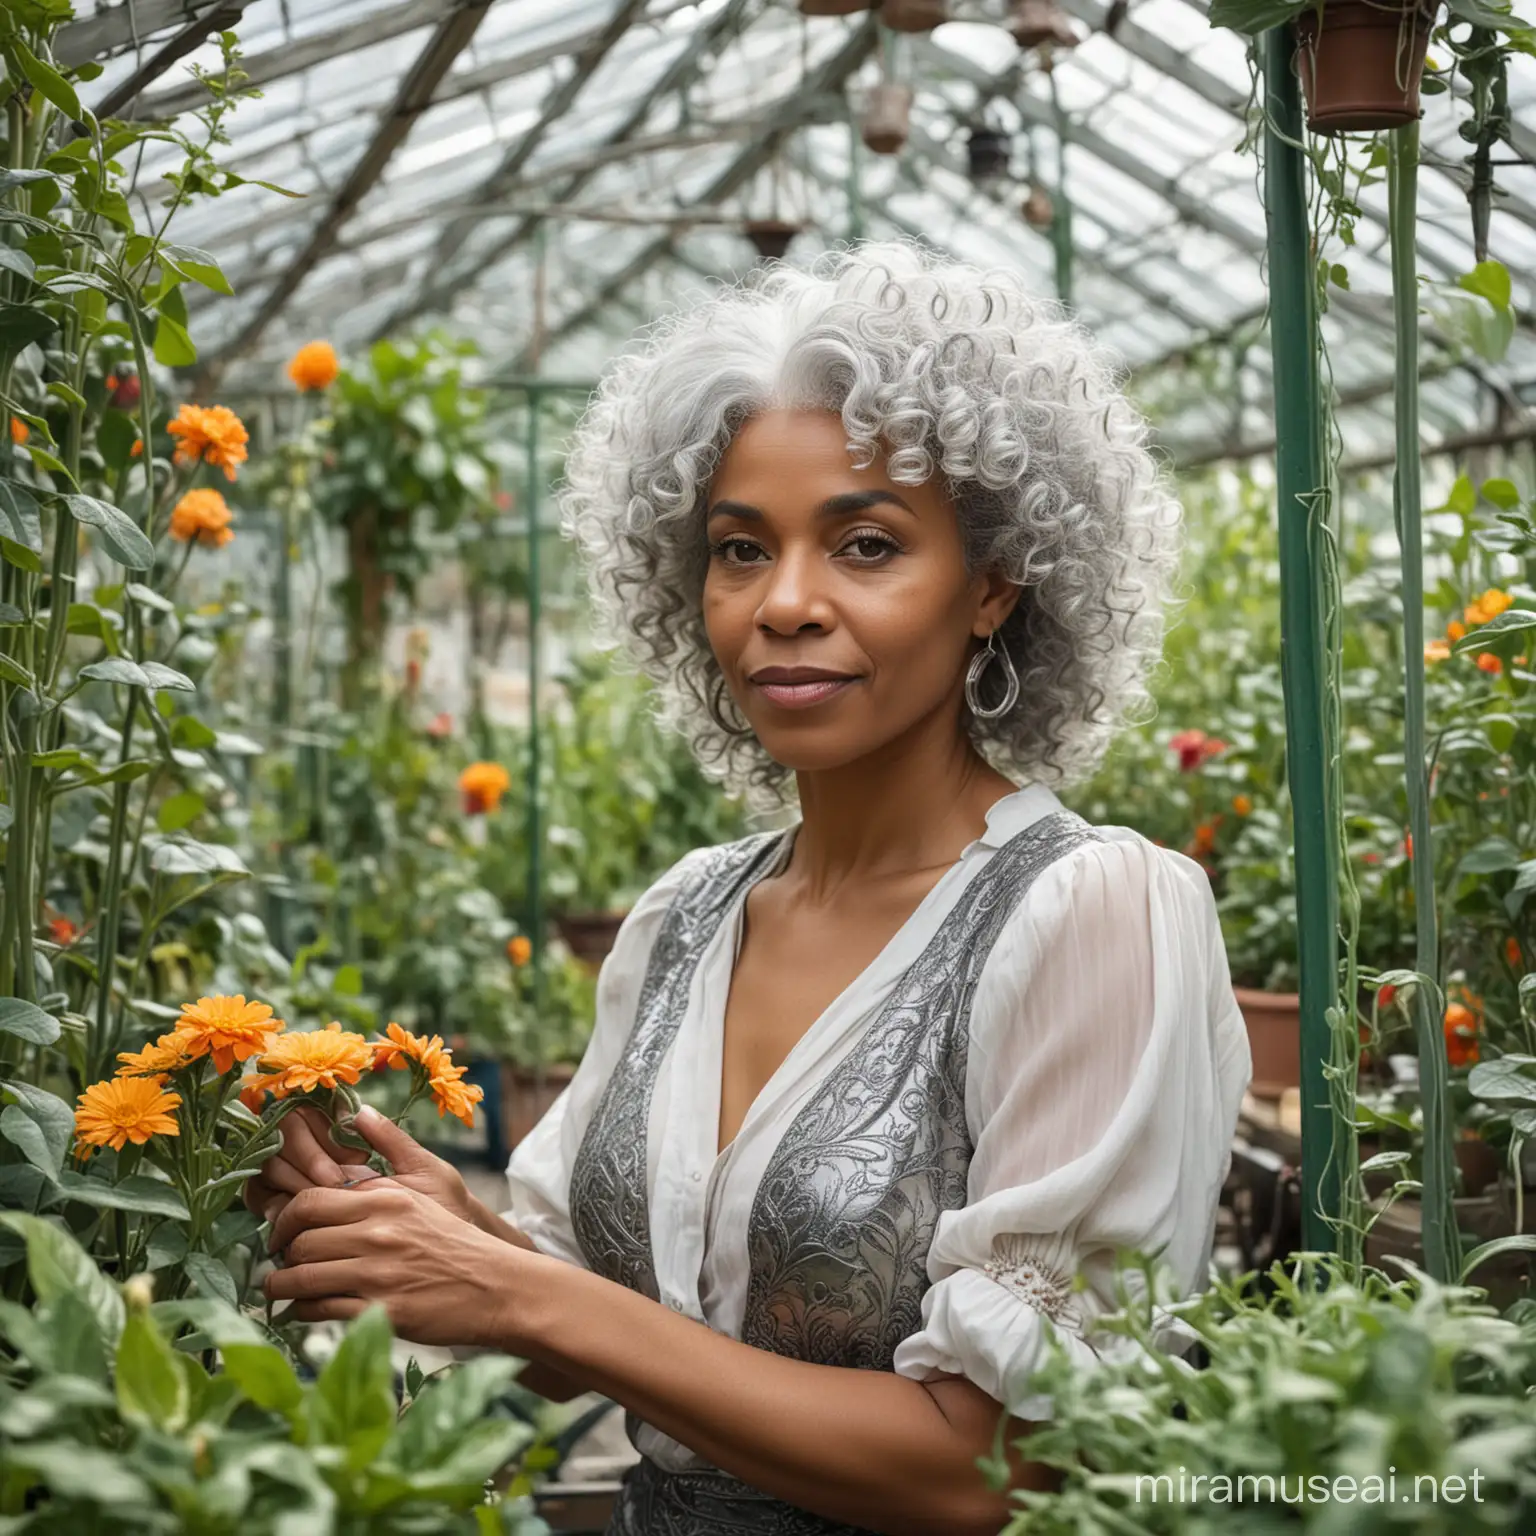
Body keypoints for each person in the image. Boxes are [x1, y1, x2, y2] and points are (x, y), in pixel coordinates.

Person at [247, 241, 1252, 1535]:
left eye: (867, 544)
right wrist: (446, 1240)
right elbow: (611, 1336)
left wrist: (521, 1296)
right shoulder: (688, 919)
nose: (784, 604)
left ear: (995, 584)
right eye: (738, 549)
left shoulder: (1093, 915)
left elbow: (1003, 1468)